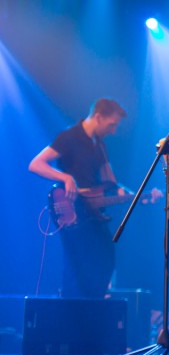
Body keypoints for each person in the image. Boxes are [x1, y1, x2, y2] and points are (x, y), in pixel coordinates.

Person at [28, 98, 127, 298]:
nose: (114, 130)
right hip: (73, 211)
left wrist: (137, 195)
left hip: (94, 213)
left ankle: (93, 309)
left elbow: (112, 183)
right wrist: (65, 177)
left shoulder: (100, 146)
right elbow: (36, 164)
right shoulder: (69, 136)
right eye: (112, 124)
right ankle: (73, 313)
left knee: (106, 258)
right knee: (77, 268)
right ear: (98, 117)